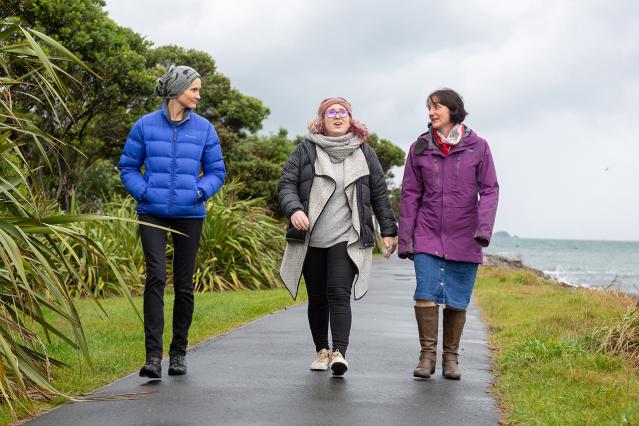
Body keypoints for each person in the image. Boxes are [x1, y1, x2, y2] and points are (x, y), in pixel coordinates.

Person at [119, 65, 226, 379]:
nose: (198, 95)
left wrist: (199, 192)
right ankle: (153, 357)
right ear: (177, 90)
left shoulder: (204, 129)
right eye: (194, 89)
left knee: (183, 285)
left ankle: (178, 353)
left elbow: (217, 172)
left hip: (190, 214)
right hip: (152, 212)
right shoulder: (145, 126)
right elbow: (127, 166)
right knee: (154, 277)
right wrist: (146, 192)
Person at [278, 97, 398, 376]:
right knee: (318, 298)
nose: (336, 116)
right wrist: (294, 209)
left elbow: (379, 193)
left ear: (350, 118)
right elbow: (287, 184)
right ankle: (322, 350)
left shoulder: (365, 152)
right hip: (311, 238)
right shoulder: (306, 149)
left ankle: (339, 353)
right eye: (330, 112)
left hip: (348, 236)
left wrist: (388, 230)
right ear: (322, 120)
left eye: (342, 112)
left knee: (338, 294)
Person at [398, 88, 498, 380]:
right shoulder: (419, 147)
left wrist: (483, 229)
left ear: (453, 110)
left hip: (465, 235)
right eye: (429, 108)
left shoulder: (478, 146)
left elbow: (490, 189)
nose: (431, 112)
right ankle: (427, 357)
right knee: (424, 294)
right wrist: (407, 239)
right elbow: (409, 194)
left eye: (437, 107)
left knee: (457, 298)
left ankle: (450, 358)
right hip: (427, 232)